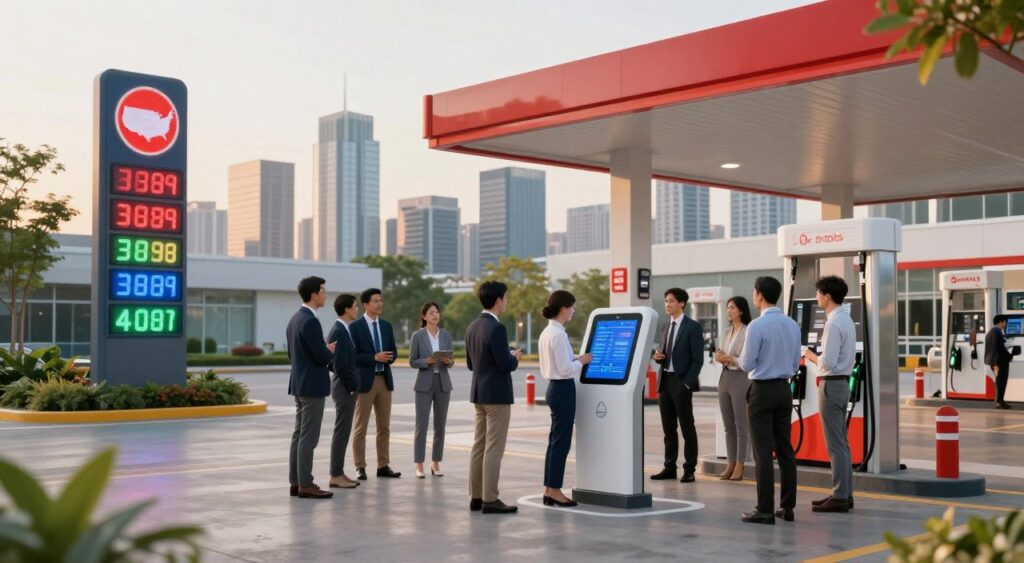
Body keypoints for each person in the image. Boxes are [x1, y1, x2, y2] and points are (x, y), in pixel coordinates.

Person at [737, 276, 801, 525]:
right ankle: (787, 507)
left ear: (759, 295)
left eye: (754, 292)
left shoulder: (756, 326)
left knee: (763, 451)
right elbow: (796, 363)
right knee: (785, 449)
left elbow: (746, 363)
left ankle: (764, 508)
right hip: (784, 390)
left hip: (761, 391)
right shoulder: (792, 324)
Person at [465, 280, 523, 514]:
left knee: (479, 445)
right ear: (498, 300)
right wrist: (515, 357)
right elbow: (504, 364)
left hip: (479, 393)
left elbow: (471, 364)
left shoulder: (472, 326)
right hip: (497, 396)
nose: (506, 301)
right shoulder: (496, 329)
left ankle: (476, 497)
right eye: (505, 298)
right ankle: (491, 499)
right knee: (494, 448)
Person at [802, 276, 856, 513]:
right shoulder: (846, 319)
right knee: (842, 443)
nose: (816, 297)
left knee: (835, 445)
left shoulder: (833, 323)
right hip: (842, 385)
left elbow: (828, 363)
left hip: (831, 385)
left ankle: (840, 496)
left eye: (818, 294)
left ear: (827, 296)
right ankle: (844, 493)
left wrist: (808, 354)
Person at [538, 290, 592, 507]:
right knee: (561, 443)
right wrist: (583, 361)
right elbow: (566, 369)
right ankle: (555, 491)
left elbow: (561, 363)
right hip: (563, 389)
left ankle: (549, 488)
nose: (573, 311)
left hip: (554, 388)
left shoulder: (548, 332)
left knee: (555, 442)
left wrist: (576, 359)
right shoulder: (558, 334)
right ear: (563, 309)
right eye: (571, 307)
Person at [286, 276, 337, 499]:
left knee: (299, 435)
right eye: (323, 291)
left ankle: (296, 482)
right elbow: (320, 356)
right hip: (312, 386)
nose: (326, 295)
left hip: (299, 383)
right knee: (309, 437)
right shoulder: (311, 321)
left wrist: (323, 350)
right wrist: (329, 351)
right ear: (314, 294)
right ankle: (306, 484)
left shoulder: (295, 319)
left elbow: (295, 354)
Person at [651, 288, 704, 484]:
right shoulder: (665, 326)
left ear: (682, 303)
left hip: (681, 383)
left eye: (671, 301)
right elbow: (665, 354)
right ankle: (669, 467)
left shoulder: (692, 327)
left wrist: (686, 384)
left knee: (687, 428)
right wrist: (658, 357)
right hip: (665, 381)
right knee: (668, 429)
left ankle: (689, 469)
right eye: (666, 301)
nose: (667, 304)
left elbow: (697, 360)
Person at [349, 288, 401, 480]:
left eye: (381, 300)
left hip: (384, 381)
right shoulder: (355, 327)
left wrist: (389, 357)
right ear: (366, 305)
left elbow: (393, 352)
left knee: (384, 427)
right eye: (376, 301)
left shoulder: (387, 326)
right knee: (360, 427)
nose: (380, 304)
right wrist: (374, 357)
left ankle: (383, 465)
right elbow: (353, 356)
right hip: (365, 383)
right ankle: (360, 467)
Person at [408, 302, 454, 478]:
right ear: (424, 316)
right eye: (431, 313)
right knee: (422, 425)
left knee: (440, 426)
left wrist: (447, 362)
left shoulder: (446, 335)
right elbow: (412, 361)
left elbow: (452, 360)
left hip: (443, 384)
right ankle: (419, 464)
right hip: (424, 384)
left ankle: (435, 462)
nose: (435, 315)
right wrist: (425, 362)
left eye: (437, 312)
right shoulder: (417, 336)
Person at [713, 296, 753, 481]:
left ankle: (740, 464)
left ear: (741, 311)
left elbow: (746, 360)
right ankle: (730, 463)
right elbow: (721, 353)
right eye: (728, 307)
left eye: (732, 308)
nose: (728, 311)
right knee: (728, 425)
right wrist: (723, 357)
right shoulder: (727, 331)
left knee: (741, 425)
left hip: (740, 378)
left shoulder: (748, 331)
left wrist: (730, 358)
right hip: (725, 377)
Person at [327, 293, 361, 490]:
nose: (357, 309)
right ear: (347, 309)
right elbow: (338, 365)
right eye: (355, 306)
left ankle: (339, 472)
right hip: (344, 389)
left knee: (344, 431)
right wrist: (352, 386)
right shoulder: (339, 331)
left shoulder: (344, 330)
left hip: (346, 387)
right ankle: (335, 474)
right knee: (341, 432)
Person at [985, 314, 1013, 410]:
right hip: (998, 361)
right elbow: (1000, 348)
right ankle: (999, 402)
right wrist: (1009, 356)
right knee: (1001, 381)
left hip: (994, 361)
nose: (1005, 324)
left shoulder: (991, 332)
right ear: (1001, 322)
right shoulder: (997, 332)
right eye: (1005, 322)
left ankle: (1000, 401)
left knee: (999, 381)